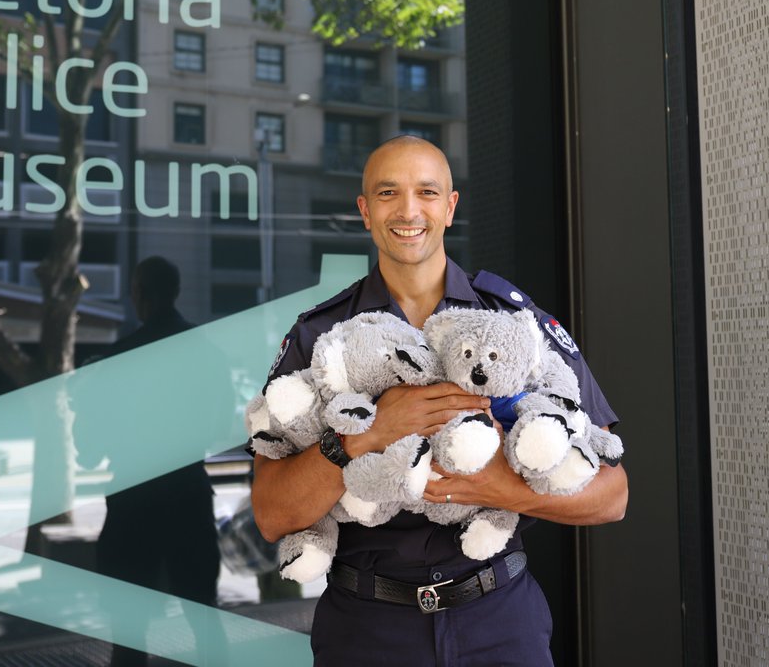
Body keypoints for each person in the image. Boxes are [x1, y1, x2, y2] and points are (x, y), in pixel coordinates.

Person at [250, 136, 628, 666]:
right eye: (388, 193)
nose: (408, 211)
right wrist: (367, 435)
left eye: (427, 192)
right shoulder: (324, 338)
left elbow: (612, 496)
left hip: (498, 621)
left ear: (450, 207)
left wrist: (502, 487)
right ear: (365, 211)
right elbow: (271, 514)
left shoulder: (514, 325)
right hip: (367, 630)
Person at [75, 256, 225, 667]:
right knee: (203, 619)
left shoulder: (116, 361)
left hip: (132, 503)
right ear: (176, 292)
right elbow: (221, 427)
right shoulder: (206, 351)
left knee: (129, 632)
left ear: (138, 295)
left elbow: (87, 451)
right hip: (188, 497)